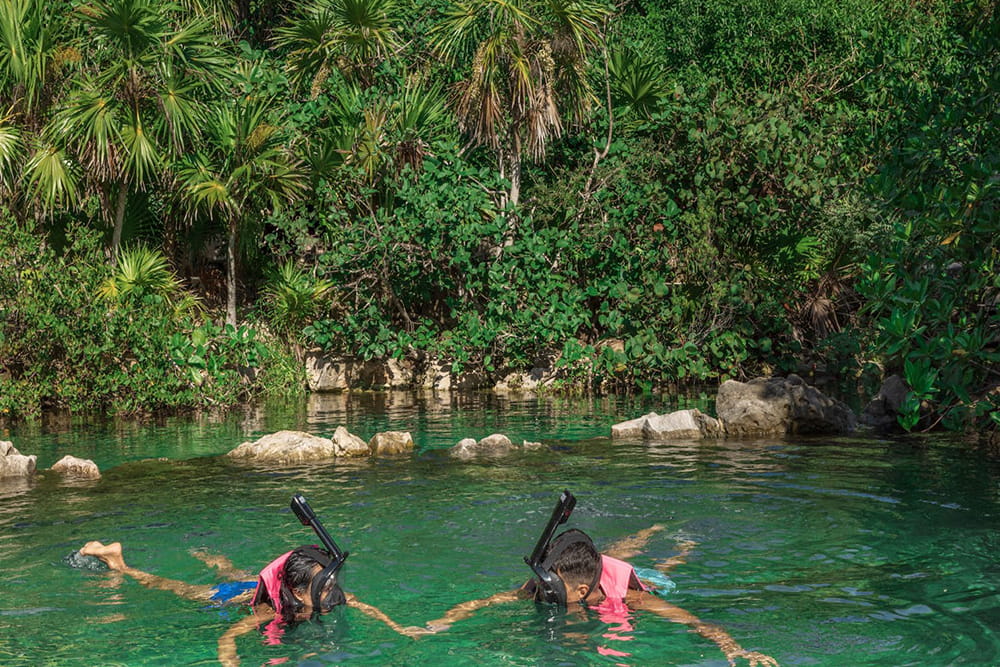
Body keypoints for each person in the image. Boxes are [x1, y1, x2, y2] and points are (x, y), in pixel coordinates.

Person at [409, 493, 779, 667]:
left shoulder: (631, 600)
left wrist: (735, 648)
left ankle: (684, 541)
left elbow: (695, 622)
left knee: (664, 568)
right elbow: (485, 602)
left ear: (583, 592)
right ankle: (646, 531)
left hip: (631, 580)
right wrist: (439, 624)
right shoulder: (545, 584)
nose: (542, 595)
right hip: (593, 565)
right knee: (621, 547)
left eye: (551, 591)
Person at [78, 503, 410, 666]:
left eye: (331, 583)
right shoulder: (269, 611)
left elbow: (364, 605)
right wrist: (230, 661)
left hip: (261, 584)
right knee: (180, 589)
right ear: (296, 592)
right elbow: (229, 636)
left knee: (241, 574)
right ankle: (119, 563)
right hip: (235, 597)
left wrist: (399, 628)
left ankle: (216, 560)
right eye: (324, 587)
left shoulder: (325, 592)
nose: (332, 593)